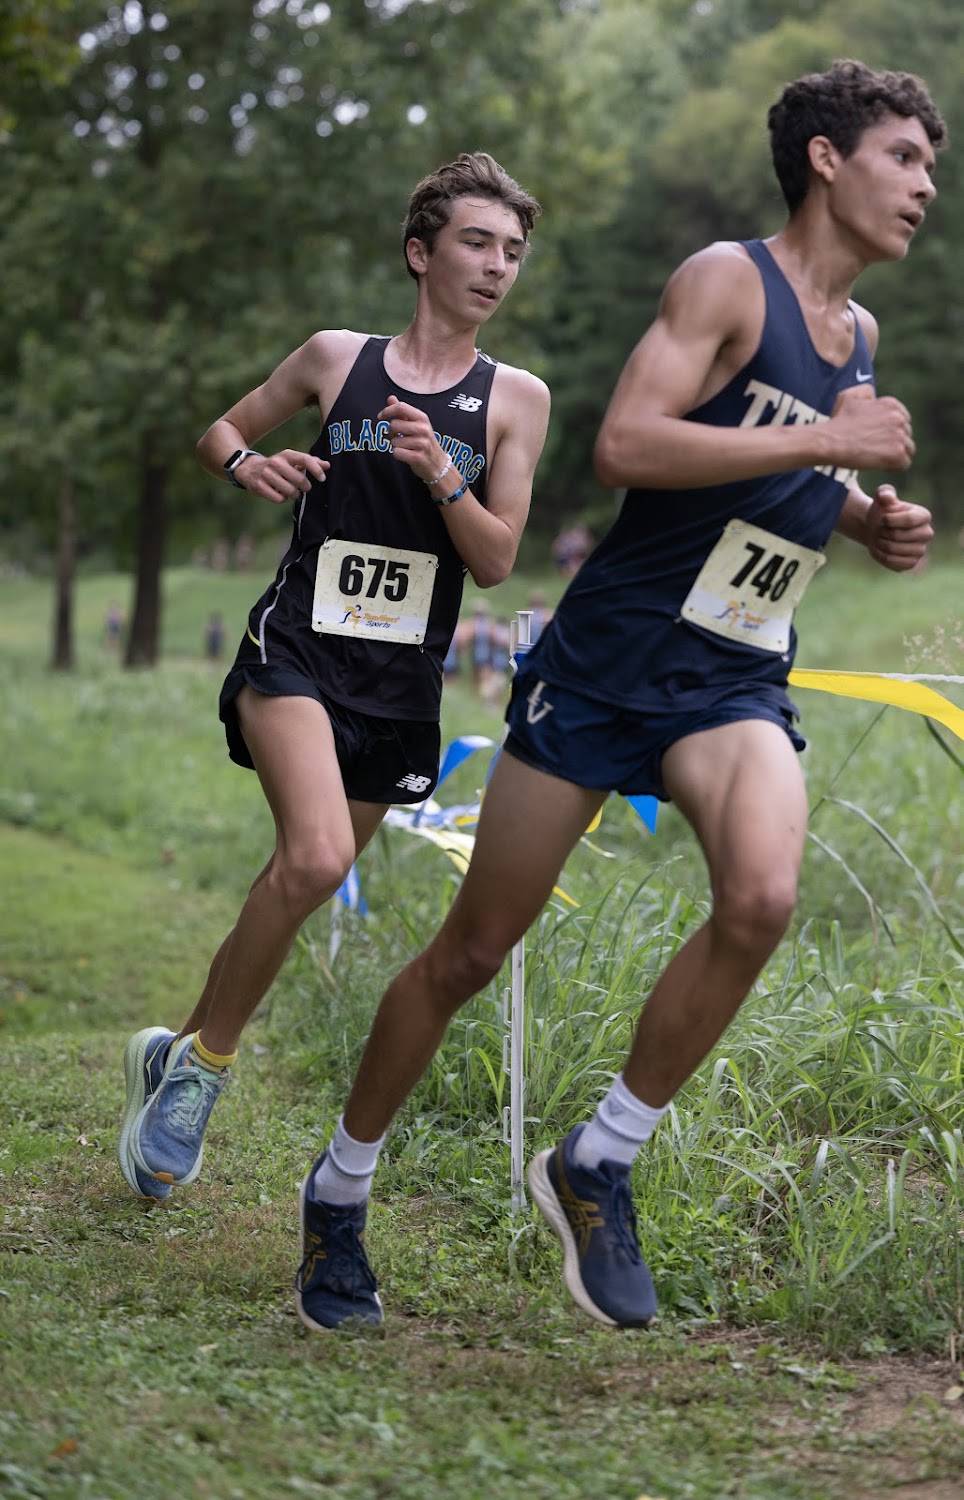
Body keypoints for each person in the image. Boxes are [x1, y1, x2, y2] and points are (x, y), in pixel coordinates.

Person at [289, 59, 944, 1334]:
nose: (924, 186)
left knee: (761, 896)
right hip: (607, 663)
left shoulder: (857, 336)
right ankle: (340, 1187)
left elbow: (790, 479)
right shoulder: (725, 280)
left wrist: (863, 519)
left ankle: (599, 1158)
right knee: (473, 950)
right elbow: (627, 446)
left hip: (732, 669)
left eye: (930, 166)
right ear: (826, 160)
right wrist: (829, 443)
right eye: (904, 158)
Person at [117, 152, 549, 1203]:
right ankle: (206, 1075)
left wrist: (442, 474)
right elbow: (222, 432)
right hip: (297, 649)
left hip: (400, 684)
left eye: (512, 251)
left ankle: (174, 1051)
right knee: (313, 860)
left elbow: (496, 560)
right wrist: (248, 466)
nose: (497, 265)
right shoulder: (336, 359)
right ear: (420, 253)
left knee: (296, 878)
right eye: (477, 242)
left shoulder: (515, 399)